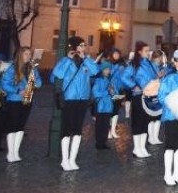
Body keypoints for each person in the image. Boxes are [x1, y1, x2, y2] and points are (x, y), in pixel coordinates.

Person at [51, 36, 100, 171]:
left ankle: (72, 159)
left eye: (84, 45)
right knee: (67, 129)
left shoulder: (86, 61)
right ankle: (64, 160)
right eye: (81, 45)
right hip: (69, 98)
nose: (84, 47)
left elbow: (95, 71)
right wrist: (68, 59)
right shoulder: (66, 60)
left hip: (83, 98)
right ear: (74, 47)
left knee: (78, 130)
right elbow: (58, 74)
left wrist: (85, 58)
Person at [0, 46, 41, 162]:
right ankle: (10, 153)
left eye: (30, 54)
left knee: (20, 127)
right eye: (26, 54)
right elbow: (5, 84)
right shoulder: (12, 68)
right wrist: (18, 90)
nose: (28, 56)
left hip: (27, 100)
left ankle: (16, 152)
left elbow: (39, 82)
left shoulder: (32, 68)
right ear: (20, 55)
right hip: (14, 100)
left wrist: (35, 84)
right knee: (13, 126)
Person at [158, 49, 178, 187]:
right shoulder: (169, 78)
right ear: (175, 62)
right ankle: (167, 174)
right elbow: (162, 97)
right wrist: (174, 105)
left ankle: (177, 173)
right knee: (170, 145)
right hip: (171, 115)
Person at [121, 41, 156, 158]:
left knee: (145, 121)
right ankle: (136, 148)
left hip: (149, 96)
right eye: (146, 51)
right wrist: (133, 86)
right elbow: (124, 77)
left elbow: (153, 77)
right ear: (140, 52)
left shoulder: (150, 64)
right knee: (137, 121)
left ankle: (142, 147)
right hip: (138, 96)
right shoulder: (134, 64)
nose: (148, 53)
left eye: (149, 50)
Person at [92, 61, 117, 150]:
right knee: (100, 125)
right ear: (102, 70)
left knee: (106, 125)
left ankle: (103, 142)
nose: (108, 71)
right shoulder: (98, 80)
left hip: (108, 106)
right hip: (100, 106)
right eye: (106, 69)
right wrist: (107, 92)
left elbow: (114, 93)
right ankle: (99, 142)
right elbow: (96, 93)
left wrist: (113, 92)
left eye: (109, 69)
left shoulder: (110, 80)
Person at [106, 48, 126, 140]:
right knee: (110, 110)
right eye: (115, 54)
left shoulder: (122, 64)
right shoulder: (108, 64)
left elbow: (124, 77)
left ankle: (113, 130)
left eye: (118, 54)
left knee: (116, 110)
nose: (117, 56)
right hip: (111, 91)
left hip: (120, 90)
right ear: (111, 55)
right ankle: (108, 131)